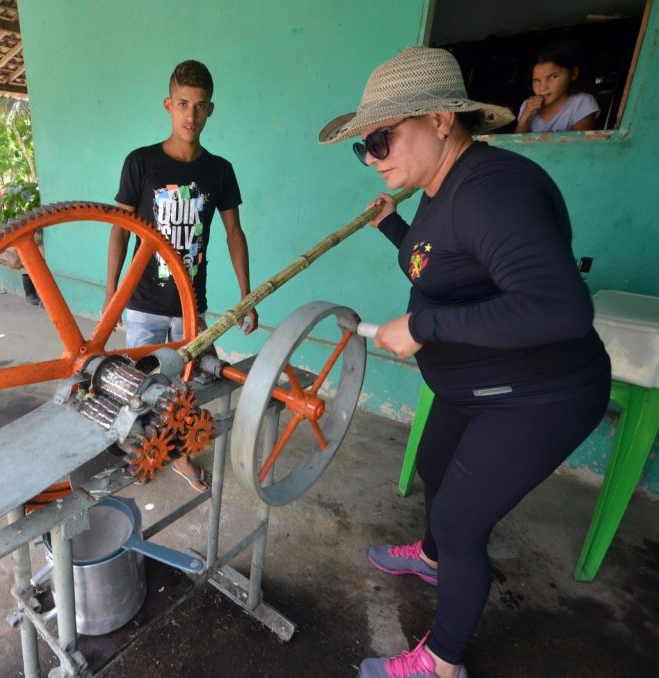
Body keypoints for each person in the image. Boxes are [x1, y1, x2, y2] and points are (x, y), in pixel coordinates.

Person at [318, 47, 611, 677]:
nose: (372, 157)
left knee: (459, 519)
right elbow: (440, 265)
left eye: (380, 137)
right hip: (473, 384)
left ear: (443, 118)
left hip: (541, 392)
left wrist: (425, 326)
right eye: (362, 147)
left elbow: (560, 309)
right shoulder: (437, 185)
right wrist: (393, 229)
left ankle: (442, 664)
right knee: (433, 462)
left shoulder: (494, 190)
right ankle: (431, 558)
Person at [106, 59, 258, 492]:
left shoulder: (219, 170)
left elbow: (234, 232)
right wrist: (111, 294)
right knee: (139, 387)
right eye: (183, 104)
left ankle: (182, 456)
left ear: (210, 110)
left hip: (191, 304)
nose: (191, 115)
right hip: (142, 304)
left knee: (187, 390)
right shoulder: (140, 163)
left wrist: (248, 295)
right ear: (169, 105)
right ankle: (141, 448)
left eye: (200, 106)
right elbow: (120, 232)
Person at [515, 42, 599, 133]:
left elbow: (581, 144)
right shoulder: (527, 106)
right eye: (537, 80)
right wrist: (523, 120)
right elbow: (514, 144)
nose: (543, 87)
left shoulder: (581, 102)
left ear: (574, 73)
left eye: (553, 77)